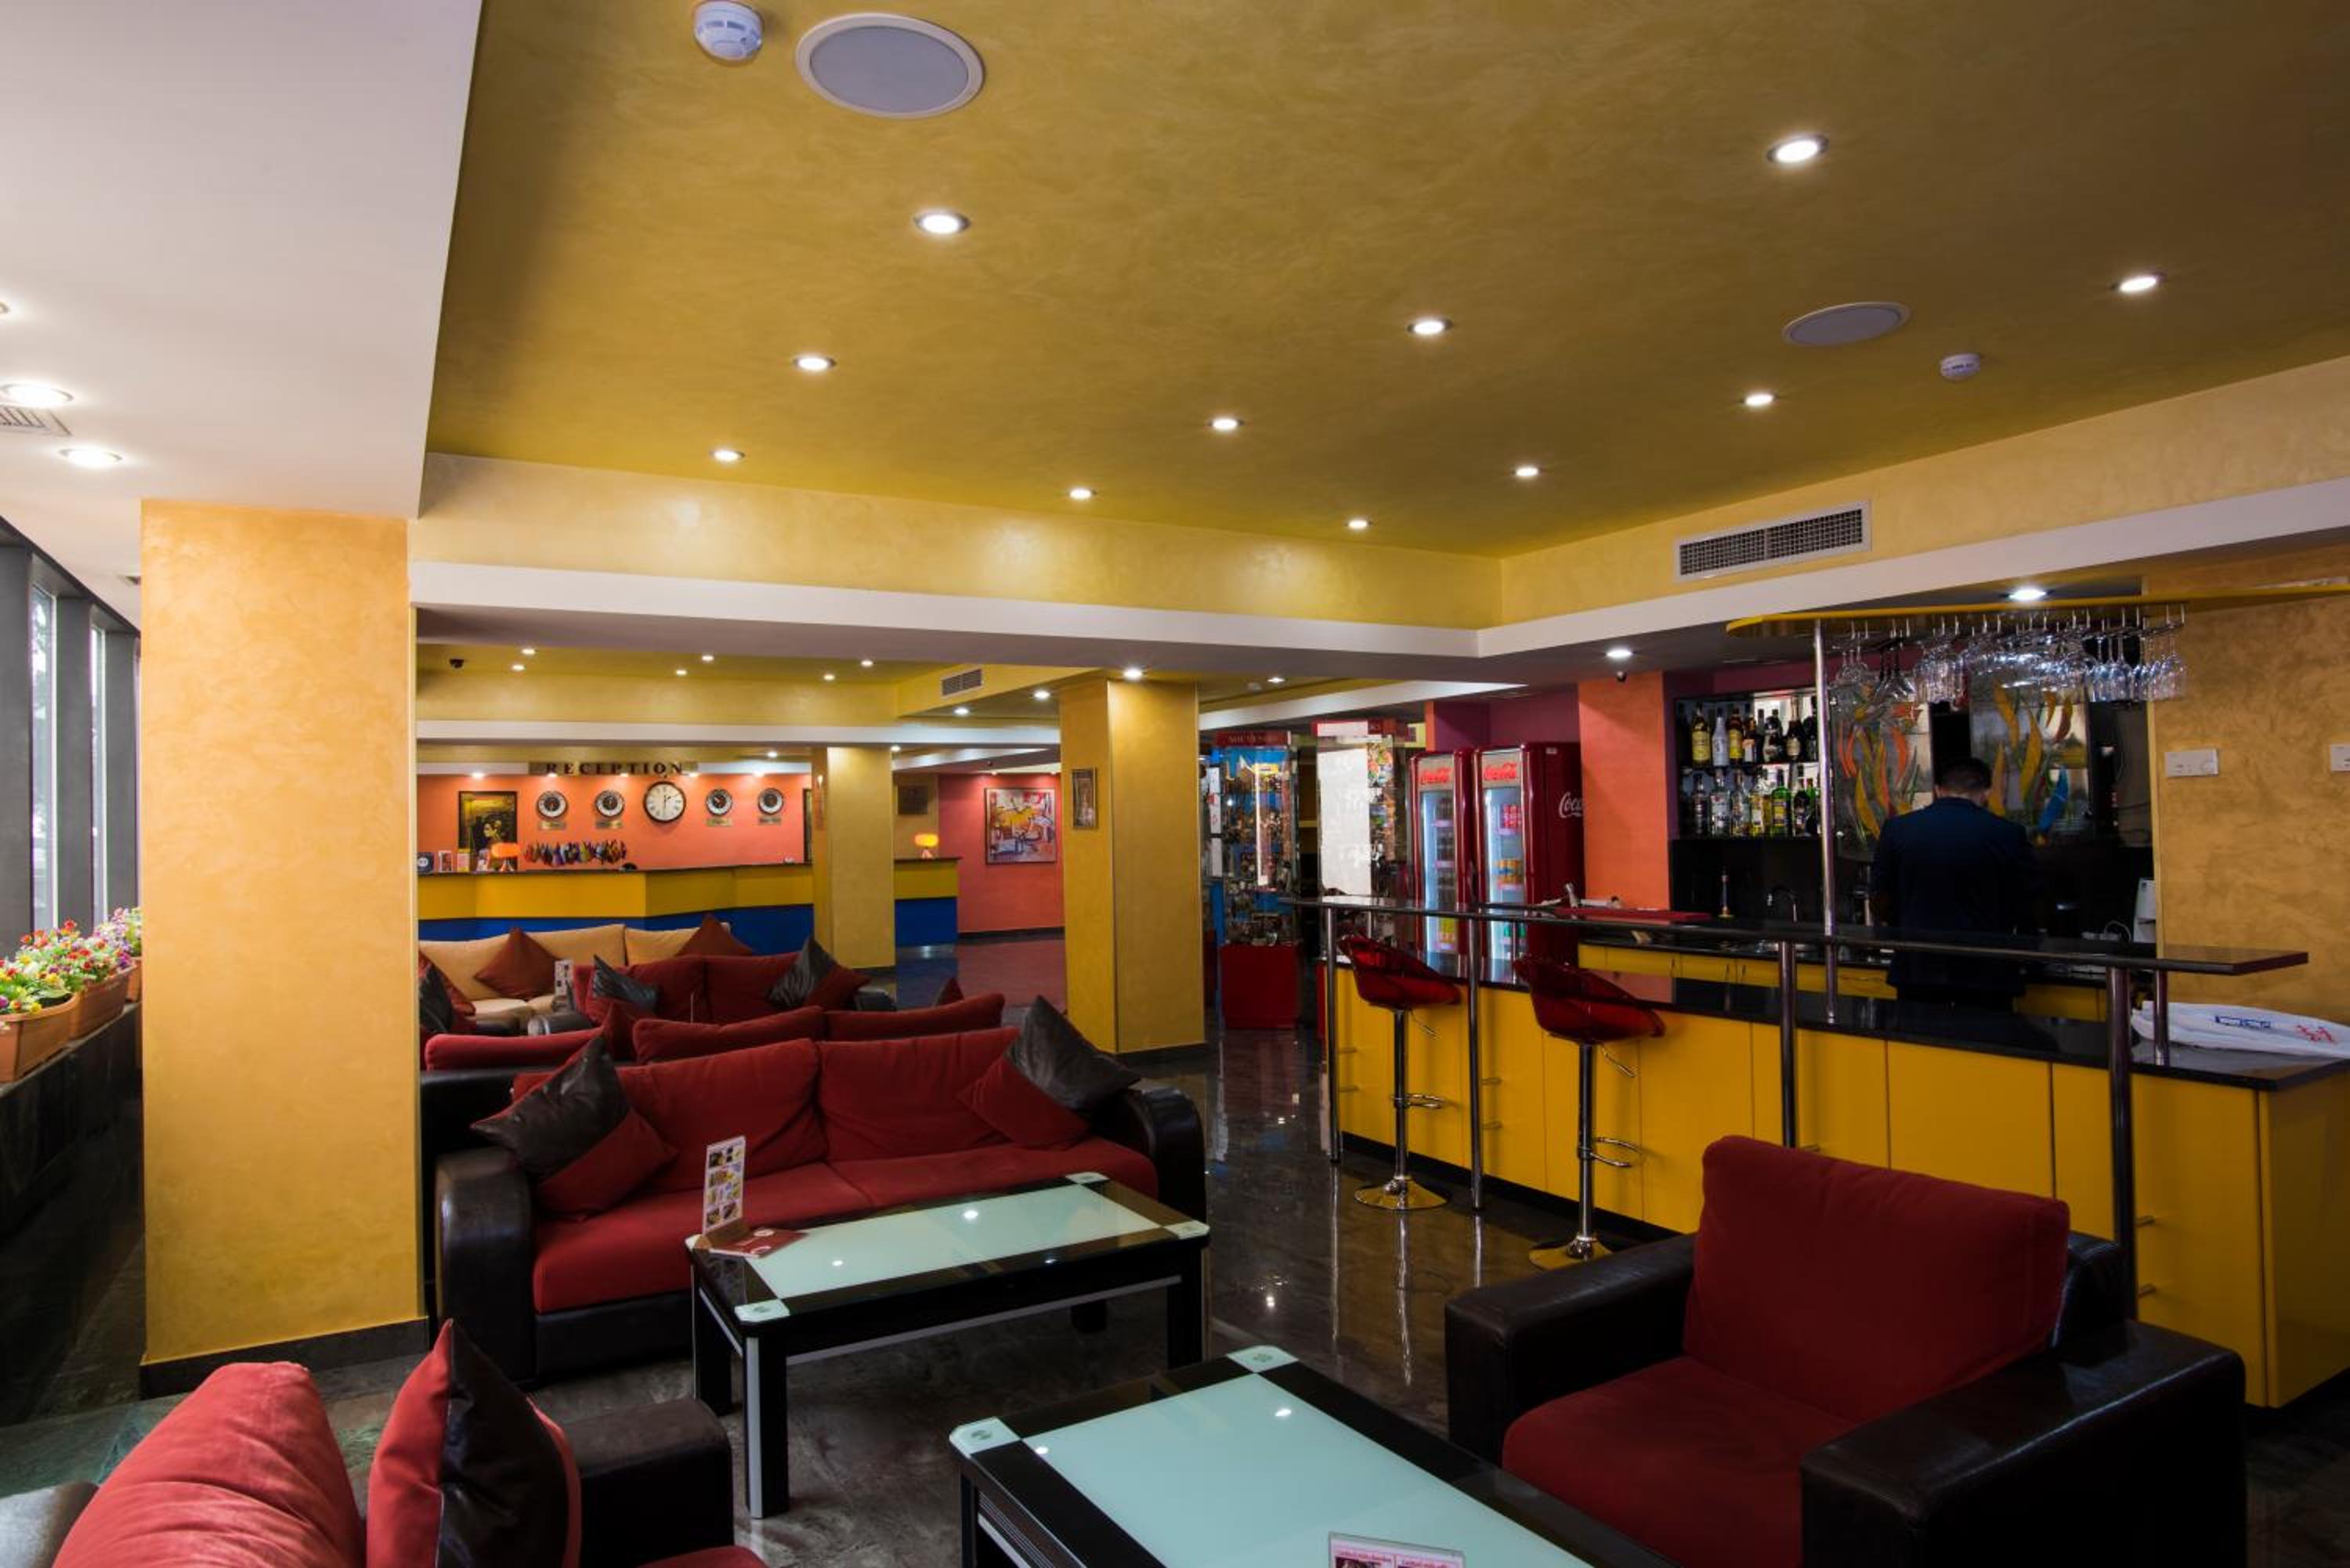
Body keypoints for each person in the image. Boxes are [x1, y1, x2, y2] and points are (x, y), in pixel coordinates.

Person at [1871, 755, 2041, 1009]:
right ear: (1986, 792)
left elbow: (1880, 898)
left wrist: (1905, 925)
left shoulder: (1898, 829)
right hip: (1987, 971)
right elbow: (2029, 900)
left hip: (1918, 967)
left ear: (1938, 790)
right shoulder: (2007, 833)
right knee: (1985, 1034)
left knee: (1918, 1033)